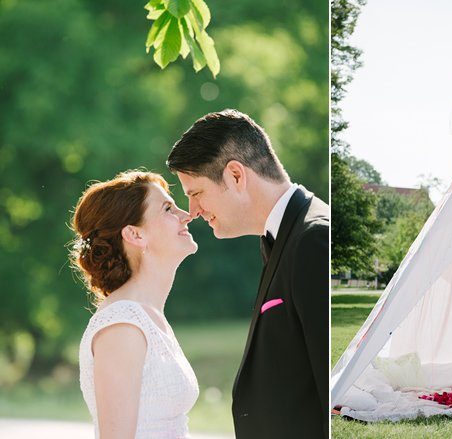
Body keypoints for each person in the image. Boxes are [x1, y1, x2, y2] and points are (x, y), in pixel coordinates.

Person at [167, 109, 329, 438]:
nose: (194, 211)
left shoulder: (314, 238)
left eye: (195, 193)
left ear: (236, 176)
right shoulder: (282, 237)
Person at [72, 170, 199, 438]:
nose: (186, 215)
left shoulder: (149, 315)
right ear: (135, 235)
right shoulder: (122, 325)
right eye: (168, 208)